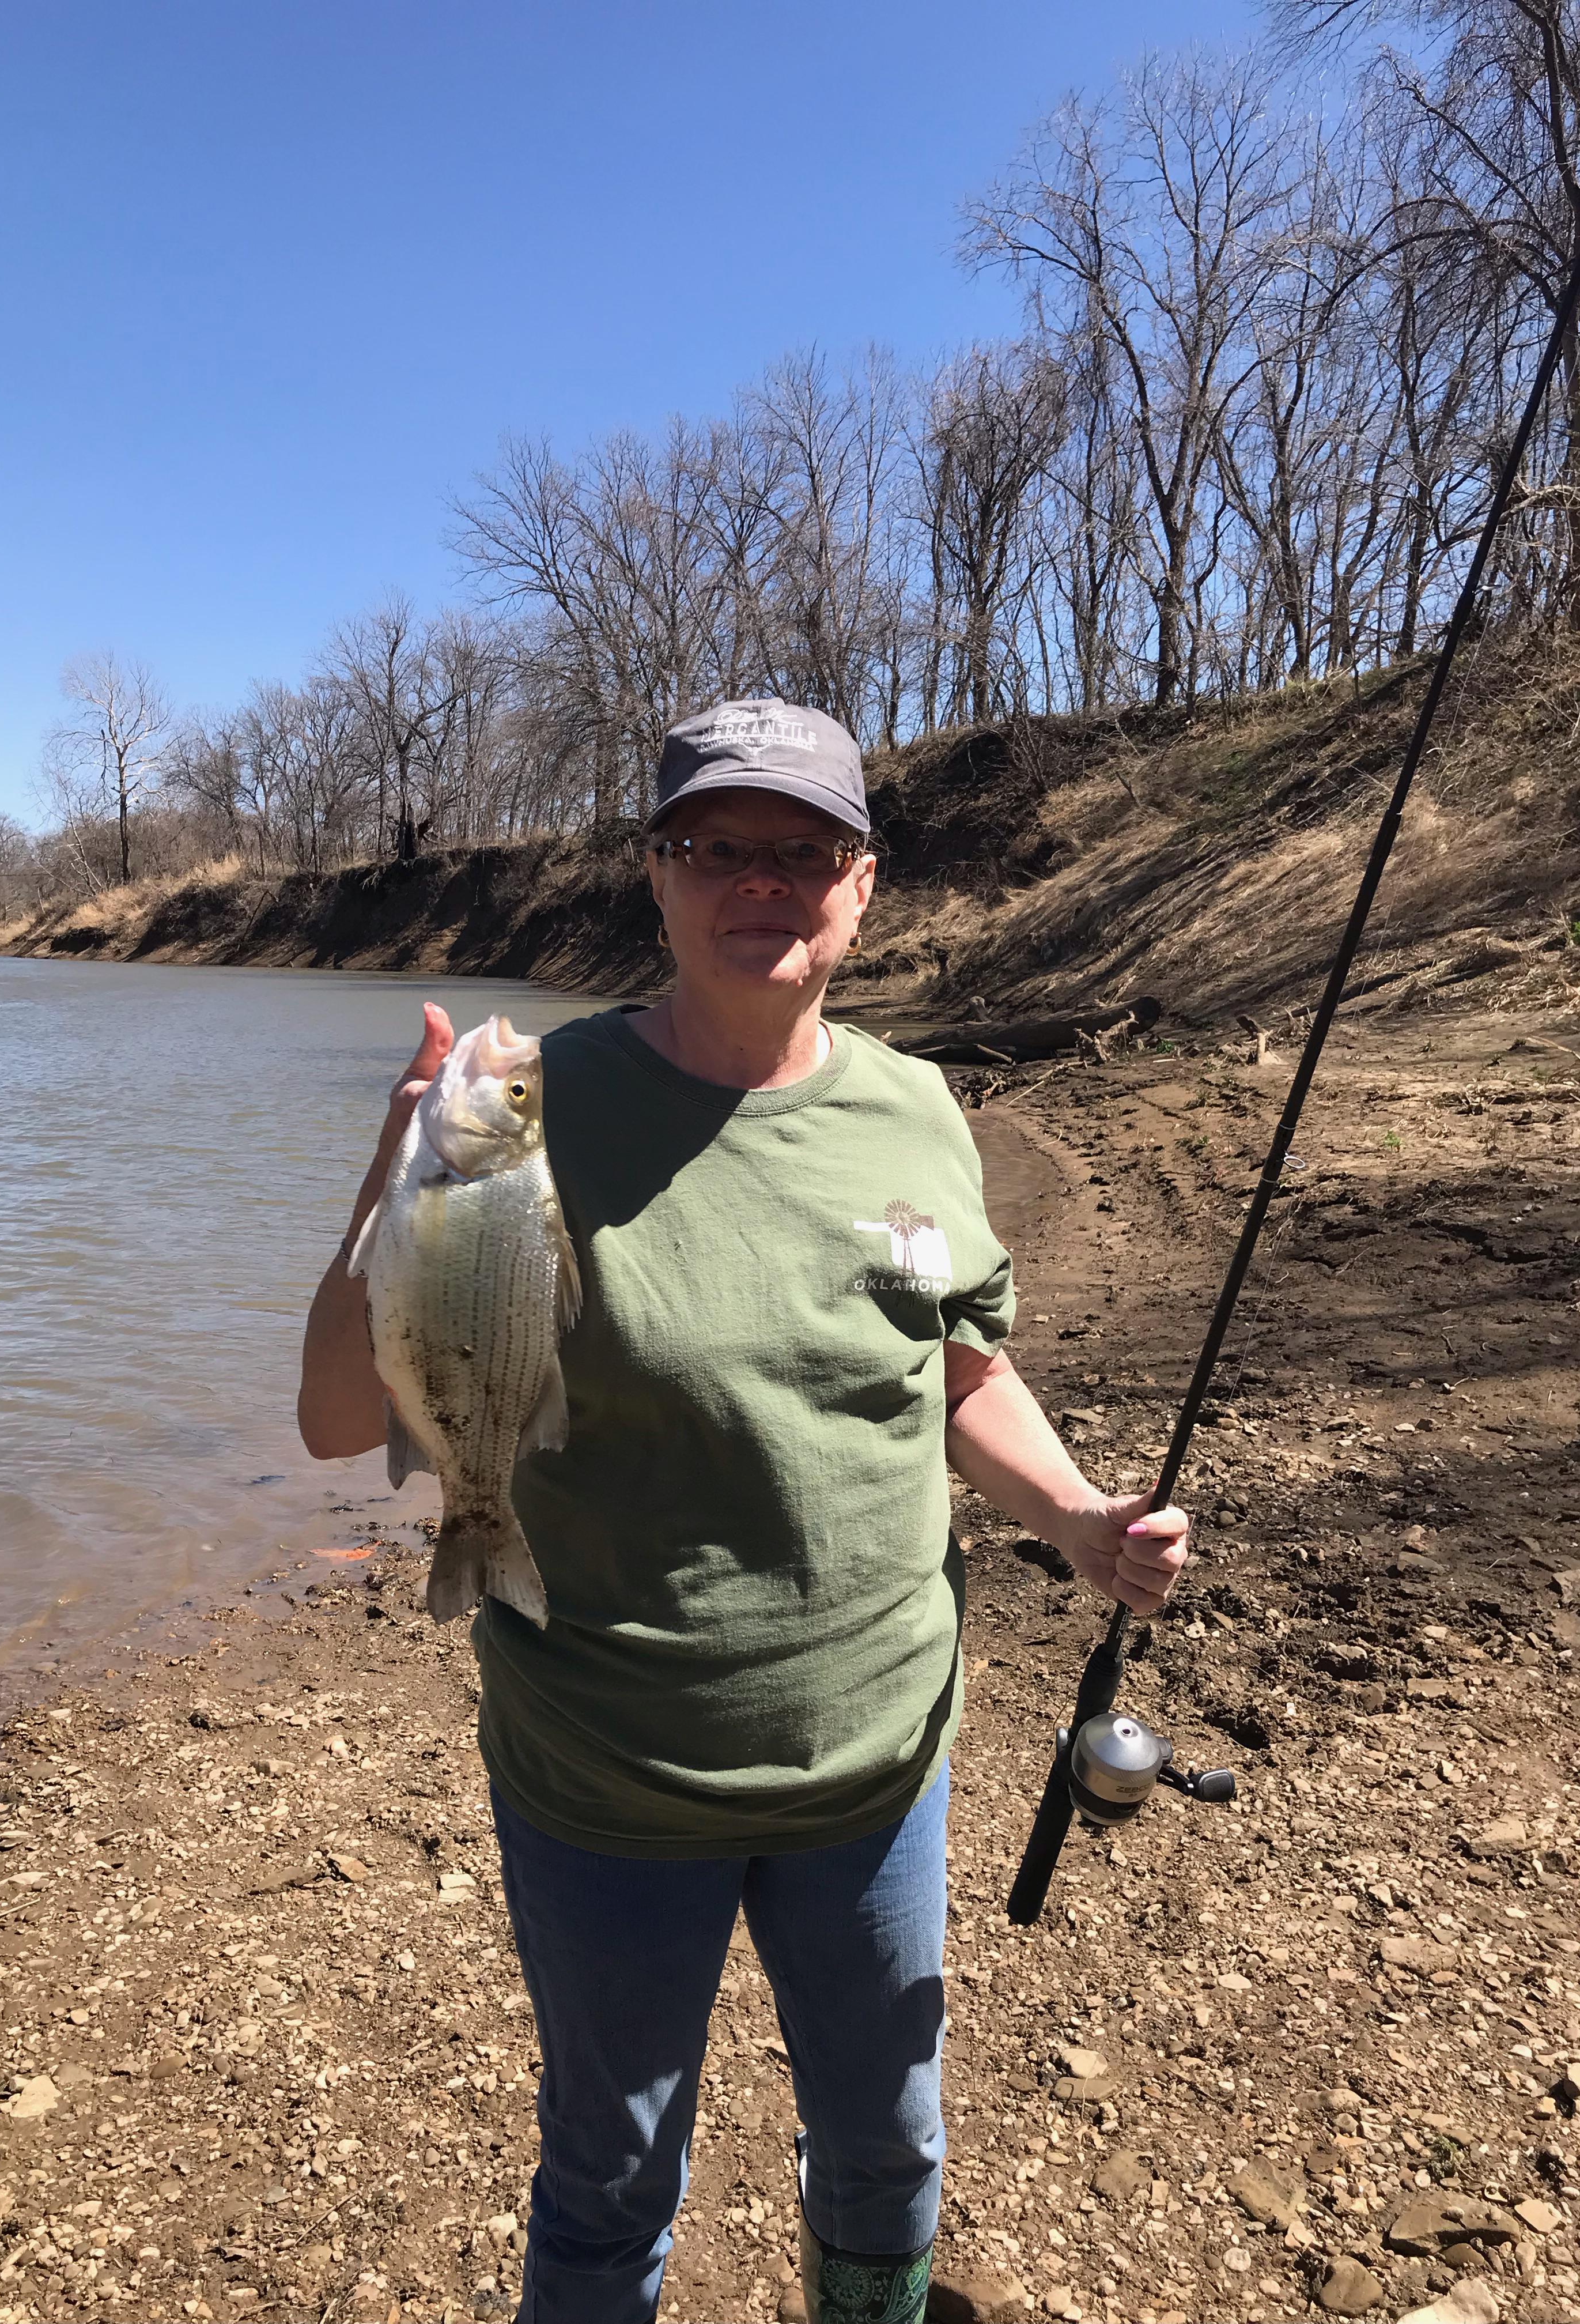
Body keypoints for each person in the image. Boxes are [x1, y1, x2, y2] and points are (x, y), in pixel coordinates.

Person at [297, 699, 1190, 2324]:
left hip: (876, 1754)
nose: (761, 882)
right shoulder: (542, 1097)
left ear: (864, 883)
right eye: (717, 848)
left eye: (806, 850)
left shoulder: (919, 1108)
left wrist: (1074, 1514)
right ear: (657, 874)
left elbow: (959, 1369)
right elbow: (339, 1423)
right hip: (609, 1769)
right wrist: (400, 1167)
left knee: (890, 2141)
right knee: (611, 2172)